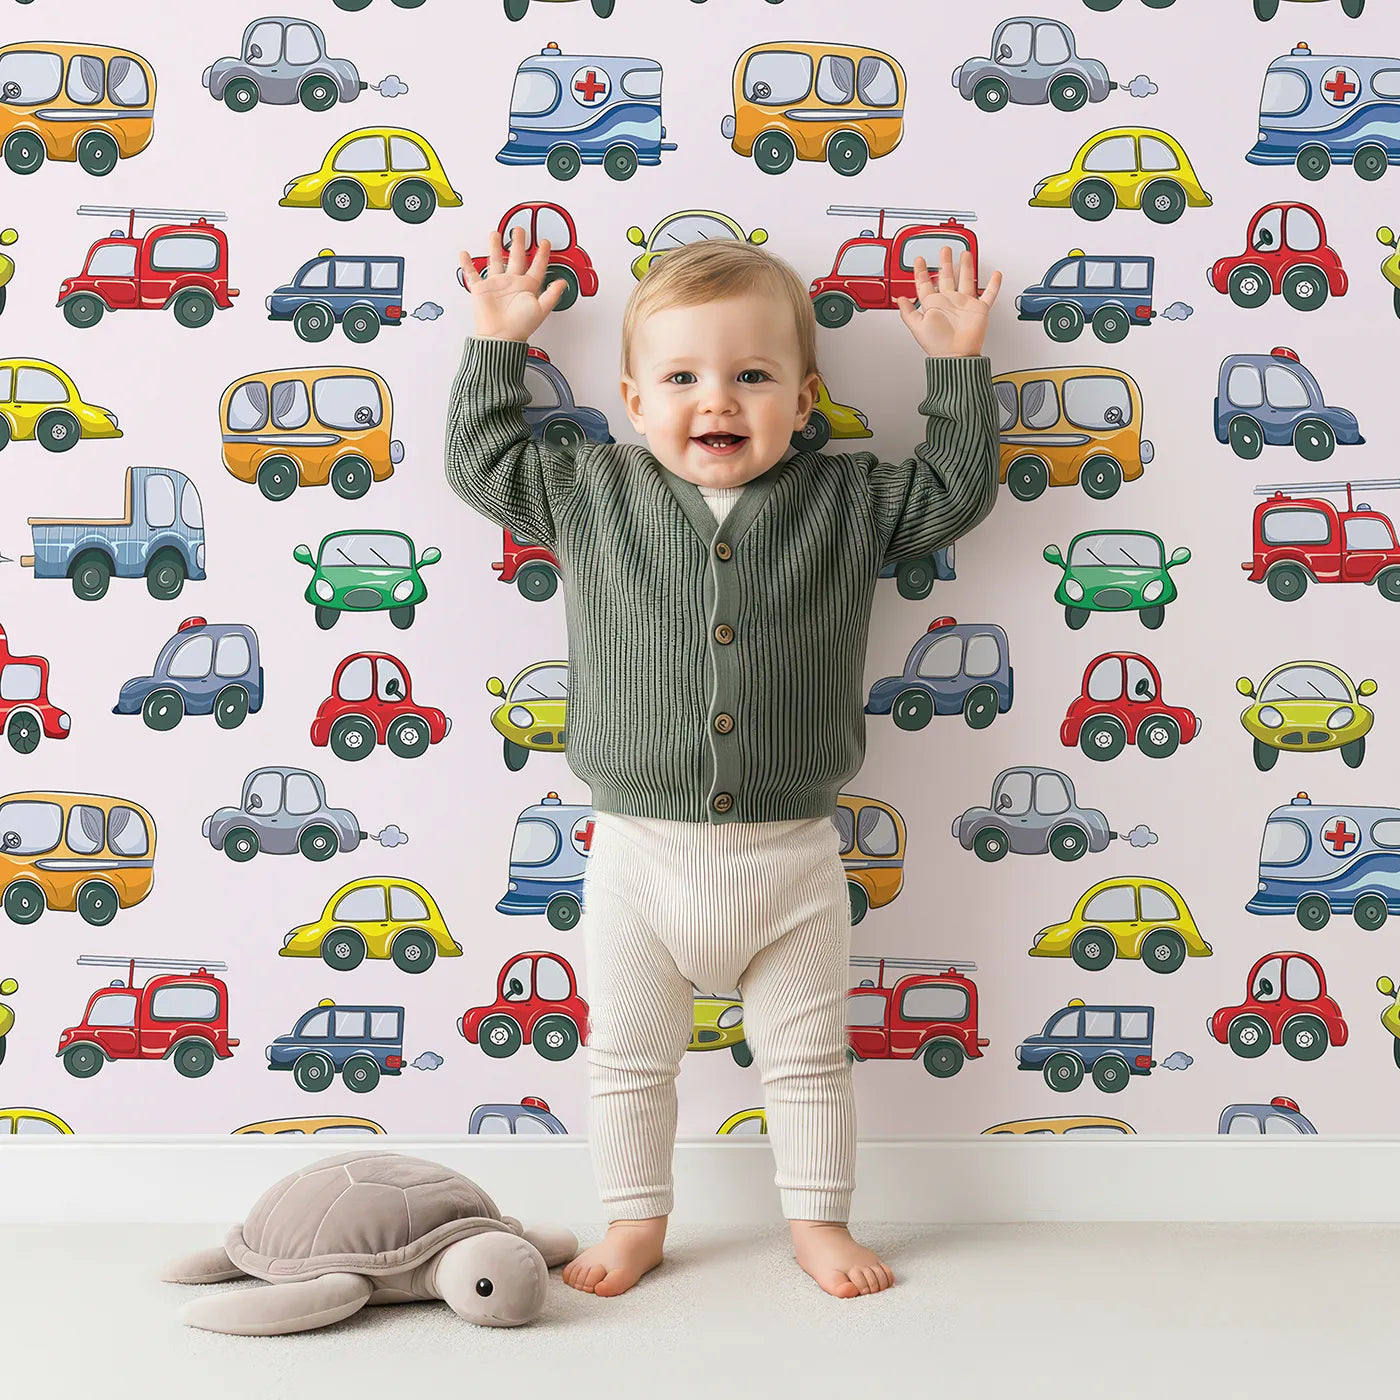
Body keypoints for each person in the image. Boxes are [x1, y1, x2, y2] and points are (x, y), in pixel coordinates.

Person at [447, 226, 1002, 1300]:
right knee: (627, 1061)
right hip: (636, 856)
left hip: (791, 858)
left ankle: (817, 1221)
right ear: (631, 397)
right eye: (683, 377)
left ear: (802, 401)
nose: (718, 401)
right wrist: (497, 345)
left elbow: (954, 489)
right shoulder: (587, 491)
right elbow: (485, 462)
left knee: (805, 1061)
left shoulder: (844, 500)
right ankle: (634, 1218)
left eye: (752, 376)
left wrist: (956, 365)